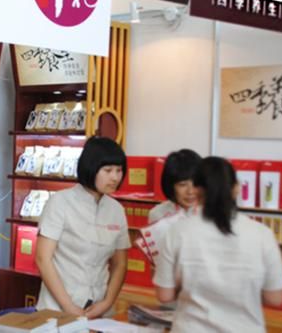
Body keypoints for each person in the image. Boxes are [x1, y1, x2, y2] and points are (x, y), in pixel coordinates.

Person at [154, 156, 282, 333]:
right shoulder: (262, 234)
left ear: (197, 190)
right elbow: (275, 298)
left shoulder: (178, 231)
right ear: (236, 188)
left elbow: (164, 295)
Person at [35, 137, 130, 319]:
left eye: (119, 170)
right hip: (57, 309)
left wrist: (107, 302)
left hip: (99, 310)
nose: (115, 177)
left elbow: (120, 264)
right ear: (90, 168)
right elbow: (43, 259)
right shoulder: (60, 202)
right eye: (108, 170)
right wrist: (68, 306)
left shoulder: (116, 210)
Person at [147, 149, 202, 224]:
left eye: (196, 183)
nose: (190, 191)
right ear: (171, 186)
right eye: (183, 184)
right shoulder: (158, 214)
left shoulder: (213, 215)